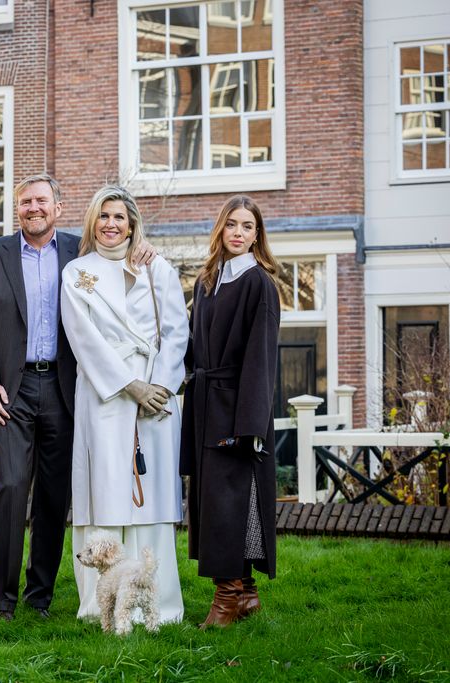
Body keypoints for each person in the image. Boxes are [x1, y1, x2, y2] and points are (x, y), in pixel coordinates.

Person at [0, 174, 156, 620]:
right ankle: (1, 599)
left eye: (42, 200)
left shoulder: (80, 251)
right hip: (8, 390)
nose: (34, 207)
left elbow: (122, 254)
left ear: (58, 206)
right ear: (18, 209)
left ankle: (40, 597)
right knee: (10, 487)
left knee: (54, 496)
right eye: (26, 201)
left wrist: (144, 249)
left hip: (67, 388)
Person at [61, 185, 188, 627]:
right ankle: (102, 605)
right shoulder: (77, 273)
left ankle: (162, 605)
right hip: (104, 395)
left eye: (120, 217)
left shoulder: (159, 270)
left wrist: (161, 387)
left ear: (133, 224)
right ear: (92, 221)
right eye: (104, 216)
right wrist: (128, 384)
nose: (111, 224)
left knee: (150, 498)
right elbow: (83, 338)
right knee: (106, 493)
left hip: (155, 397)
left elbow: (176, 333)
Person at [180, 194, 281, 628]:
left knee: (231, 504)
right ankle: (247, 594)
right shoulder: (208, 279)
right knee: (213, 502)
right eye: (232, 225)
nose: (239, 233)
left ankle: (227, 597)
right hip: (204, 402)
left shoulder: (259, 283)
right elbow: (188, 341)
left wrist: (251, 424)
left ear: (257, 236)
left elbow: (261, 358)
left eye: (248, 227)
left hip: (237, 408)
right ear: (220, 229)